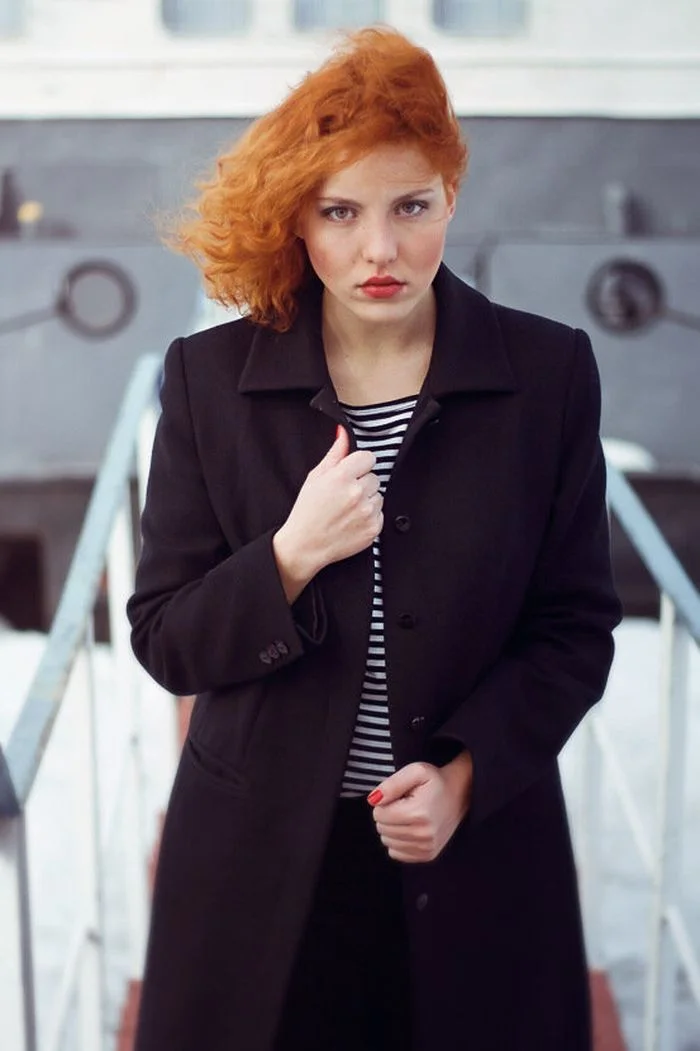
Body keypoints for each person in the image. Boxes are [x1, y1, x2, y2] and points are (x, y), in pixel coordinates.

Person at [126, 25, 622, 1051]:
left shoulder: (548, 375)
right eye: (339, 212)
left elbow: (573, 625)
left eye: (411, 206)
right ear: (298, 221)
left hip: (472, 846)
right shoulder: (208, 379)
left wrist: (465, 776)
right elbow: (167, 636)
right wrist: (289, 553)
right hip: (260, 862)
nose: (378, 250)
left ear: (453, 196)